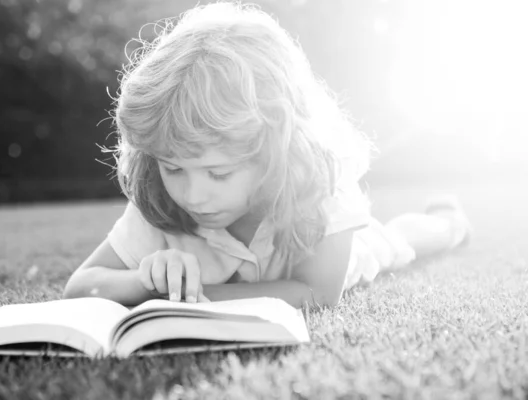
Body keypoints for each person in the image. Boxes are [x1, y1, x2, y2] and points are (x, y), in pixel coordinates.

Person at [63, 2, 472, 308]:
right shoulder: (162, 200)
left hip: (351, 252)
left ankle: (448, 222)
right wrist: (143, 282)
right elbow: (80, 287)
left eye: (218, 173)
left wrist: (192, 296)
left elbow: (316, 293)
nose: (192, 195)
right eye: (174, 168)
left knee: (395, 243)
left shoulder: (321, 190)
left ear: (276, 148)